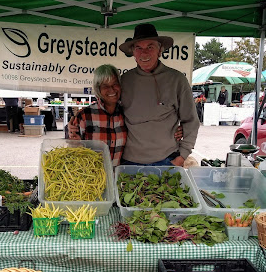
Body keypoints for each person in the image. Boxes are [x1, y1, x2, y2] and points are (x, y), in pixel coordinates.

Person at [117, 23, 199, 166]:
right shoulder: (124, 81)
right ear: (133, 53)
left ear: (160, 50)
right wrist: (77, 124)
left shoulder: (177, 80)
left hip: (167, 160)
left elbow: (191, 120)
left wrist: (183, 155)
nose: (144, 53)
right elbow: (108, 113)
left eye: (150, 47)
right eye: (139, 48)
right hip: (129, 161)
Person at [69, 64, 127, 165]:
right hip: (92, 177)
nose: (112, 89)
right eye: (105, 86)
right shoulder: (84, 116)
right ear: (98, 89)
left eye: (115, 84)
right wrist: (73, 140)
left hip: (118, 177)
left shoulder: (126, 113)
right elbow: (72, 147)